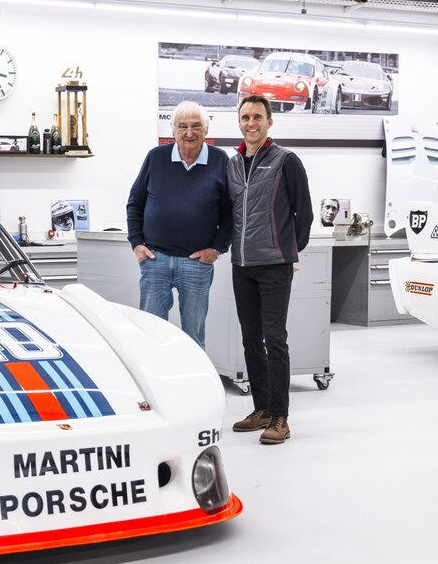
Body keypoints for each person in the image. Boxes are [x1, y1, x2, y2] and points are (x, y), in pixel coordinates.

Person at [228, 94, 313, 445]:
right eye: (245, 117)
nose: (251, 123)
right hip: (242, 264)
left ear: (269, 122)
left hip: (275, 265)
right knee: (250, 339)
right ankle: (261, 408)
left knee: (274, 339)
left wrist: (288, 252)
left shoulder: (286, 160)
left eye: (257, 117)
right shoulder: (233, 164)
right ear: (240, 122)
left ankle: (280, 417)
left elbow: (304, 214)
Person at [126, 100, 232, 349]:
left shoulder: (220, 160)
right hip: (155, 261)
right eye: (182, 126)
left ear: (206, 129)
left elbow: (231, 213)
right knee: (150, 334)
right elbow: (135, 203)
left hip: (196, 264)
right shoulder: (156, 157)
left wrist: (217, 249)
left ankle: (193, 375)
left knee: (194, 337)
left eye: (196, 126)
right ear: (173, 130)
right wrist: (137, 244)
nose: (189, 133)